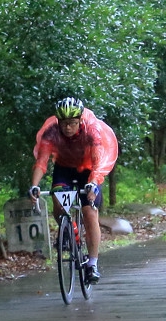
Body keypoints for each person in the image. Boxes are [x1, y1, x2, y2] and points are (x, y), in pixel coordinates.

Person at [28, 97, 118, 282]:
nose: (67, 127)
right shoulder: (51, 132)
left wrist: (93, 184)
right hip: (64, 169)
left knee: (90, 212)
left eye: (72, 123)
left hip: (89, 171)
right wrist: (34, 185)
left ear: (80, 120)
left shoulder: (91, 131)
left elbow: (98, 163)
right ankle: (69, 232)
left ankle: (92, 264)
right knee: (59, 202)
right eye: (63, 123)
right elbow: (41, 162)